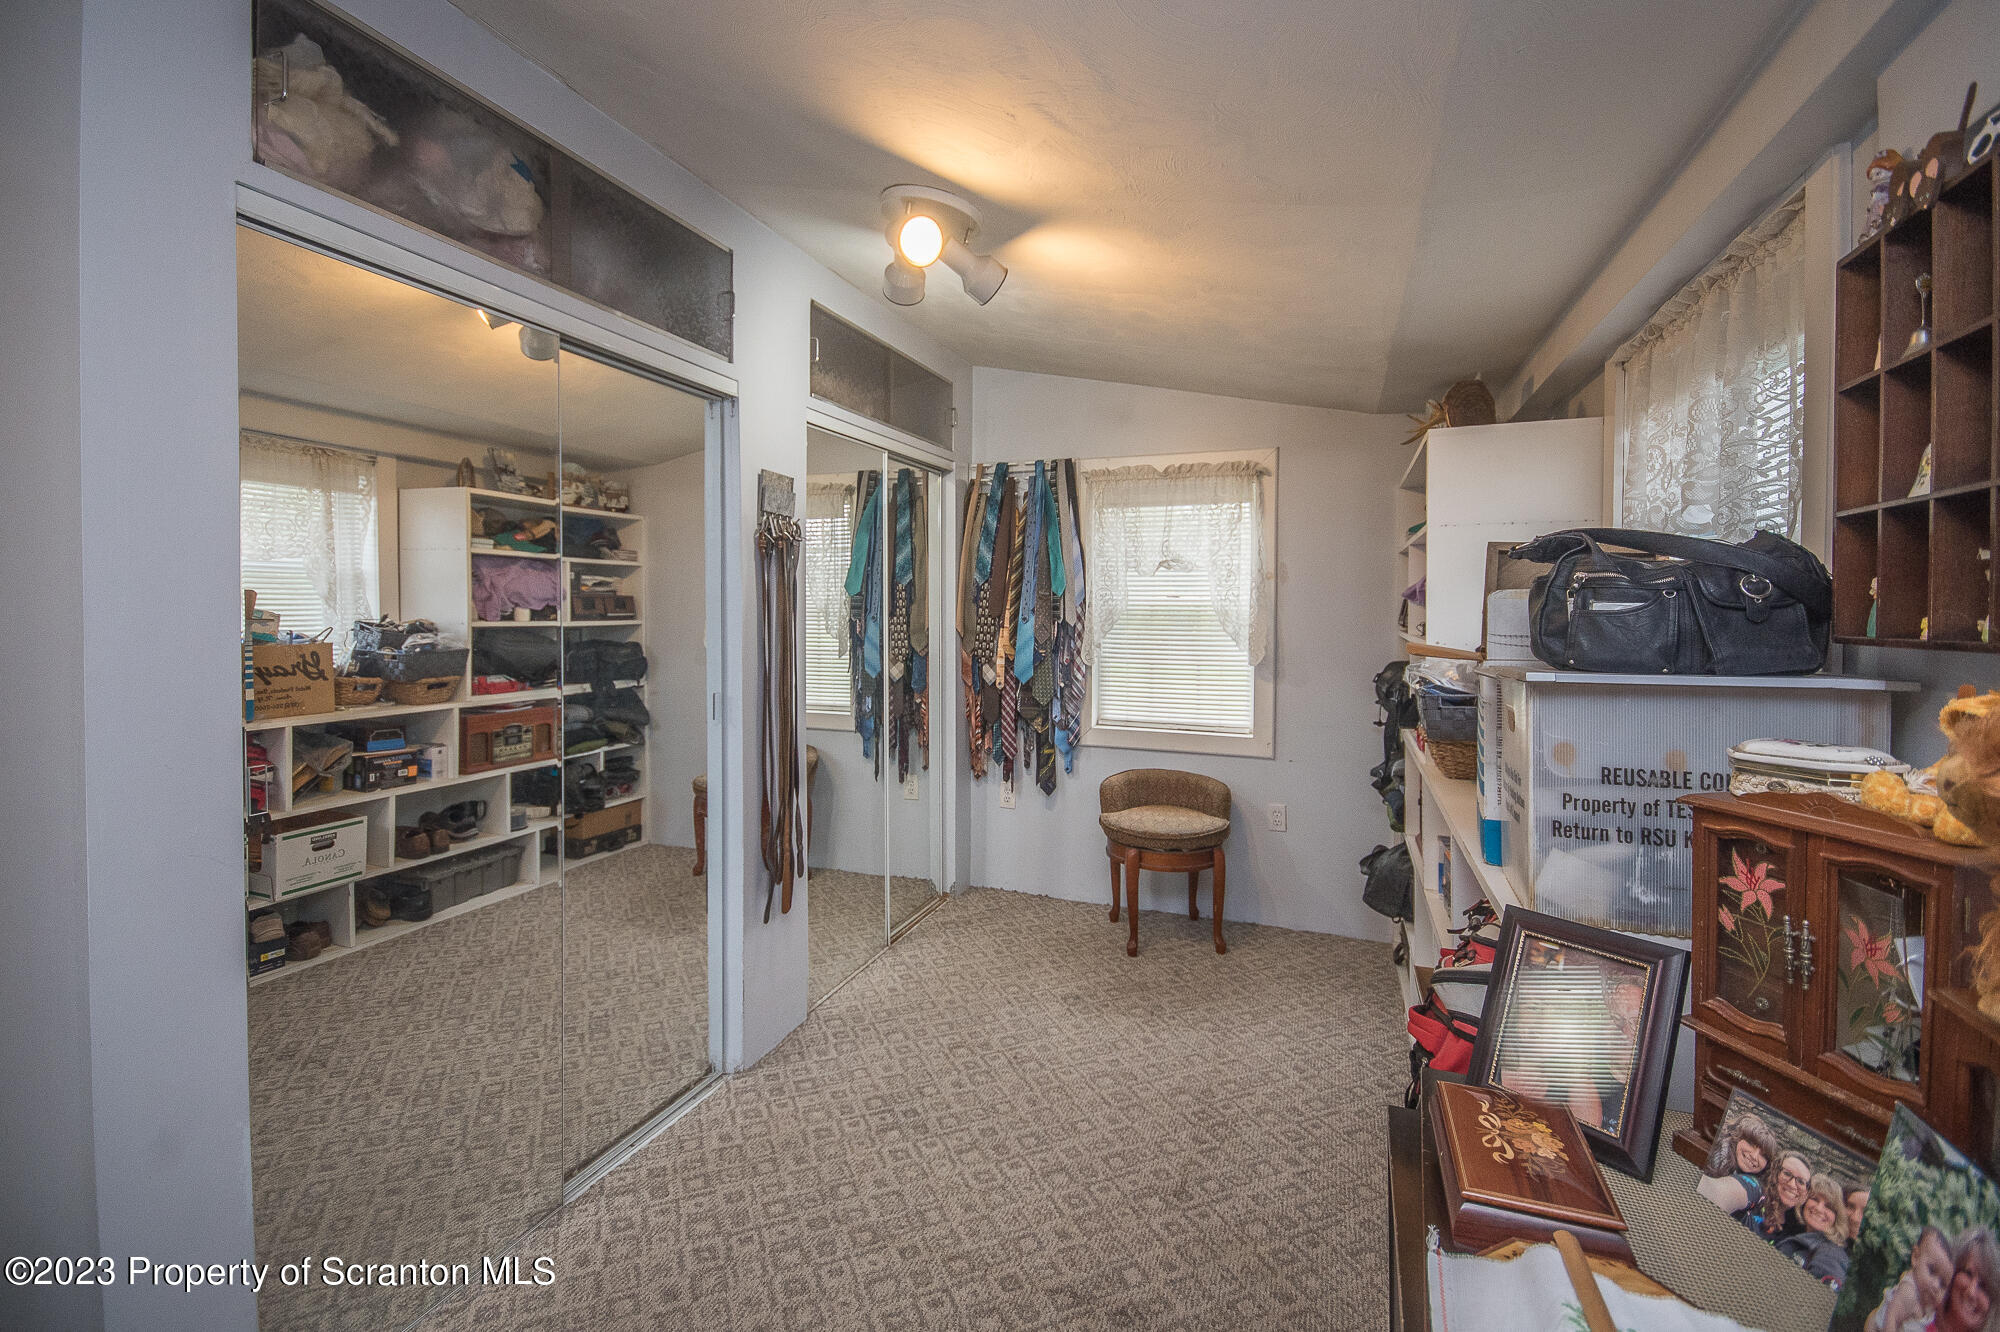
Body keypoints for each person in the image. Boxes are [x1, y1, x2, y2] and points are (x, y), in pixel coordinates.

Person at [1868, 1227, 1954, 1332]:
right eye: (1932, 1270)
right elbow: (1891, 1318)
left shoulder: (1927, 1306)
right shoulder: (1909, 1292)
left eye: (1943, 1284)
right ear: (1915, 1257)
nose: (1936, 1285)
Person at [1776, 1174, 1851, 1288]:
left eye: (1829, 1206)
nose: (1819, 1208)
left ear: (1837, 1217)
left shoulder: (1831, 1253)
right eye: (1815, 1199)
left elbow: (1819, 1298)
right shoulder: (1794, 1234)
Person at [1699, 1113, 1781, 1215]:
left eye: (1763, 1155)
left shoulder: (1758, 1186)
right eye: (1751, 1144)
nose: (1754, 1156)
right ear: (1738, 1138)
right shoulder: (1716, 1153)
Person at [1931, 1228, 2000, 1332]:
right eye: (1968, 1274)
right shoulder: (1913, 1319)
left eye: (1983, 1286)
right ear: (1952, 1273)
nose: (1971, 1292)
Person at [1736, 1151, 1811, 1242]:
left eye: (1801, 1182)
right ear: (1775, 1172)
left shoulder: (1796, 1230)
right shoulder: (1756, 1192)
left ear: (1806, 1193)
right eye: (1787, 1174)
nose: (1792, 1184)